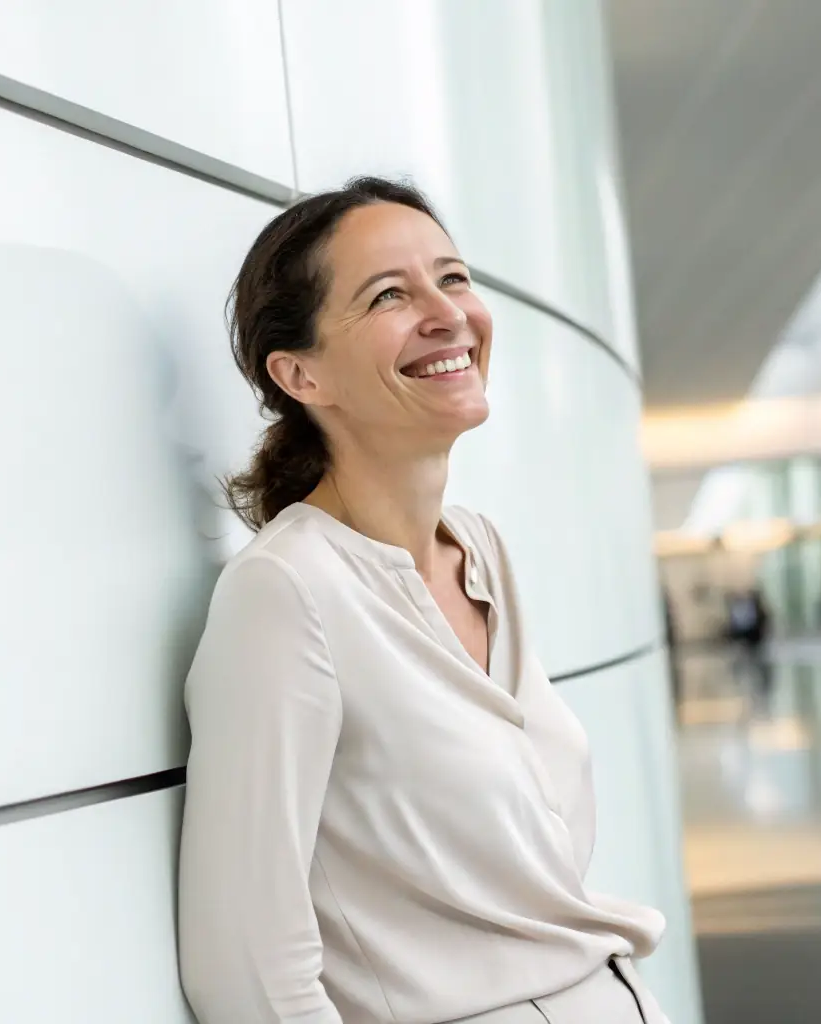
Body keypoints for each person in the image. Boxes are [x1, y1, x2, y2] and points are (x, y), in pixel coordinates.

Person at [177, 177, 670, 1024]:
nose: (446, 314)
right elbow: (244, 970)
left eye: (452, 278)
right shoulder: (287, 591)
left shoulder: (480, 548)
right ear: (300, 374)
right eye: (388, 296)